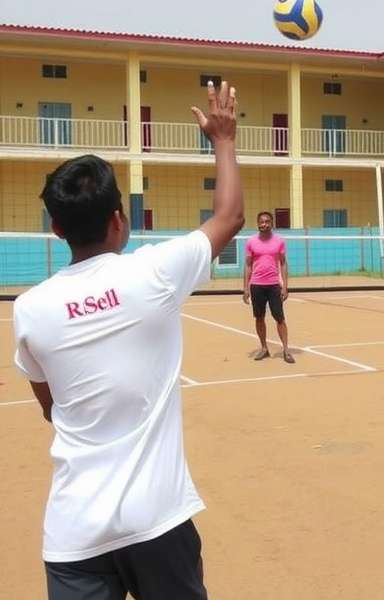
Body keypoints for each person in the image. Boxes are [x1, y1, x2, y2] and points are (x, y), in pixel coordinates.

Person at [12, 80, 244, 599]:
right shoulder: (154, 273)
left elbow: (52, 407)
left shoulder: (29, 309)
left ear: (56, 229)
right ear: (119, 219)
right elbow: (229, 217)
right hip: (156, 520)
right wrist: (224, 140)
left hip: (74, 533)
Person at [242, 211, 295, 363]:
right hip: (256, 285)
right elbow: (248, 265)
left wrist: (285, 287)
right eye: (261, 222)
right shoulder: (251, 242)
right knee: (259, 317)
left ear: (272, 224)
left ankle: (286, 350)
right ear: (258, 223)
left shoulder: (279, 241)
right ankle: (264, 348)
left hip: (274, 286)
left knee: (280, 318)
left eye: (267, 222)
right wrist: (245, 288)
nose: (264, 224)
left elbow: (283, 263)